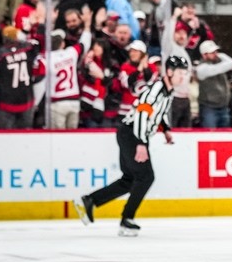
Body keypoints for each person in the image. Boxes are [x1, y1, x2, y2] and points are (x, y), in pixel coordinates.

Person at [75, 54, 187, 236]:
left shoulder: (168, 91)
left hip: (132, 134)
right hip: (132, 134)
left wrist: (165, 129)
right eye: (180, 73)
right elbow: (142, 113)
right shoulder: (156, 89)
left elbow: (158, 113)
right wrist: (141, 143)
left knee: (129, 180)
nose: (183, 77)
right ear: (169, 72)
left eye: (184, 73)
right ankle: (127, 219)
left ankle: (90, 200)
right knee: (146, 177)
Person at [0, 26, 45, 129]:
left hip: (6, 103)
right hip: (26, 100)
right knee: (25, 134)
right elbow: (40, 48)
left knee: (8, 135)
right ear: (16, 36)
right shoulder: (28, 49)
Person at [194, 40, 232, 129]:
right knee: (209, 134)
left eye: (216, 51)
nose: (215, 54)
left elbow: (228, 64)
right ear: (204, 55)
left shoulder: (219, 60)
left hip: (223, 107)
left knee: (224, 134)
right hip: (209, 108)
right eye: (212, 53)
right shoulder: (201, 69)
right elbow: (217, 69)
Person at [48, 26, 91, 130]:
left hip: (57, 102)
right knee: (72, 136)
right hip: (74, 101)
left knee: (58, 137)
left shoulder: (46, 58)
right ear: (62, 43)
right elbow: (84, 44)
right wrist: (87, 26)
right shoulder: (71, 52)